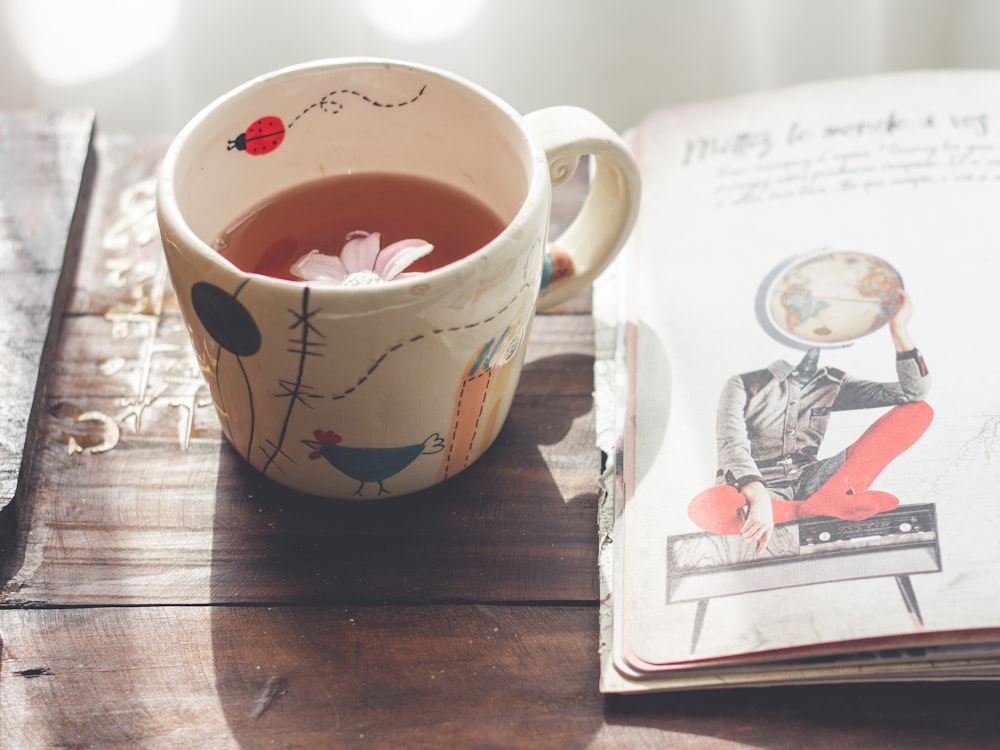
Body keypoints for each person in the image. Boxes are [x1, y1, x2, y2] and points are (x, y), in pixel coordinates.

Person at [687, 289, 932, 553]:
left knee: (918, 412)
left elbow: (912, 393)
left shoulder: (832, 381)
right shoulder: (743, 384)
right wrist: (757, 496)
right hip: (757, 490)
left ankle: (831, 498)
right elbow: (731, 445)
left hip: (816, 481)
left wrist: (899, 330)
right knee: (706, 508)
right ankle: (807, 511)